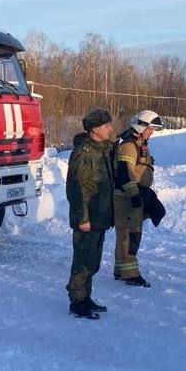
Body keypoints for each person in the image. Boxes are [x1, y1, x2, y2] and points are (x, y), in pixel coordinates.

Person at [66, 107, 115, 319]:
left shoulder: (102, 149)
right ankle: (77, 302)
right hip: (88, 217)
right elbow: (76, 189)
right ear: (95, 129)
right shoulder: (83, 153)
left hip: (100, 215)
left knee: (92, 261)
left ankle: (85, 297)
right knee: (83, 260)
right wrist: (82, 218)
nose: (110, 128)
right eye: (106, 125)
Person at [111, 110, 164, 286]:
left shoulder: (139, 144)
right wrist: (134, 196)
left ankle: (120, 270)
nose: (151, 133)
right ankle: (131, 275)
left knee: (127, 234)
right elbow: (125, 173)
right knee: (129, 235)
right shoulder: (129, 146)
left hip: (133, 194)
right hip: (126, 197)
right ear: (141, 127)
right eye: (150, 129)